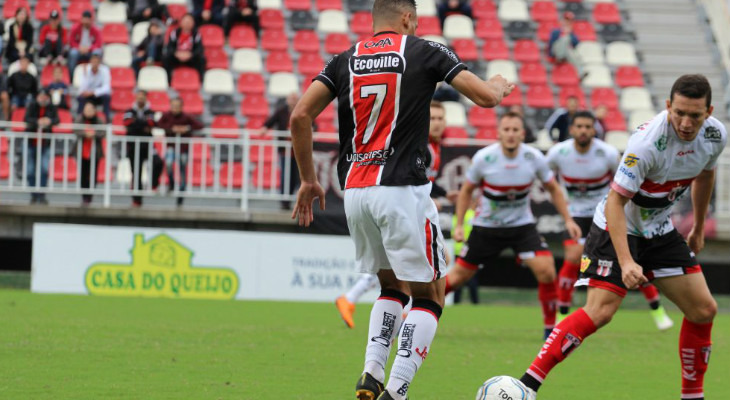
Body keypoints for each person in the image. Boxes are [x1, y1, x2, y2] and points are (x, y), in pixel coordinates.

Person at [288, 0, 513, 398]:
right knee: (431, 293)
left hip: (356, 191)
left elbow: (300, 116)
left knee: (390, 286)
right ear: (408, 18)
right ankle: (397, 389)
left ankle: (371, 373)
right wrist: (498, 84)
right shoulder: (425, 50)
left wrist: (308, 180)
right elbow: (485, 98)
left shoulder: (343, 59)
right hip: (401, 189)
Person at [518, 74, 727, 400]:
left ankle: (692, 396)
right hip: (617, 227)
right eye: (679, 113)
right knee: (600, 312)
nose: (686, 123)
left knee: (703, 310)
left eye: (695, 115)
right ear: (668, 106)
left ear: (709, 111)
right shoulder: (646, 145)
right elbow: (616, 202)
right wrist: (627, 261)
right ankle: (525, 386)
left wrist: (698, 227)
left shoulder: (715, 136)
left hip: (660, 229)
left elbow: (706, 174)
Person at [445, 112, 581, 340]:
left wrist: (568, 219)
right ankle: (414, 314)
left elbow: (554, 188)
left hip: (521, 227)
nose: (510, 134)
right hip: (486, 228)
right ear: (499, 133)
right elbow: (467, 190)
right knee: (457, 277)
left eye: (515, 130)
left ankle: (550, 331)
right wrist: (459, 224)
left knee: (547, 270)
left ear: (522, 133)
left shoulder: (534, 157)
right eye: (506, 130)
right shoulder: (484, 158)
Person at [546, 110, 673, 330]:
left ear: (594, 129)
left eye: (588, 126)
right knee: (573, 257)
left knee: (632, 260)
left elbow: (624, 184)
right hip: (575, 214)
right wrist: (566, 213)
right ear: (571, 129)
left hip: (603, 213)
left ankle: (657, 310)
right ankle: (561, 314)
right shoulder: (558, 153)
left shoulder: (607, 153)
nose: (584, 130)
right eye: (579, 126)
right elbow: (547, 180)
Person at [334, 100, 455, 329]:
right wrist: (435, 200)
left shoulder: (434, 147)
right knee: (408, 264)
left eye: (441, 119)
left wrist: (445, 195)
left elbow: (425, 180)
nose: (437, 124)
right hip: (404, 208)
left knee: (409, 262)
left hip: (407, 205)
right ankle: (406, 314)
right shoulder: (422, 148)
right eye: (434, 118)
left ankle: (353, 298)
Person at [157, 97, 203, 206]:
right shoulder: (167, 116)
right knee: (168, 164)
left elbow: (199, 125)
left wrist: (186, 128)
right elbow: (159, 124)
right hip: (171, 147)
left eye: (177, 106)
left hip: (183, 149)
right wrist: (172, 128)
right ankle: (172, 182)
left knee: (182, 171)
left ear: (181, 107)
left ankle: (181, 195)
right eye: (173, 106)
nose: (175, 109)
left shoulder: (186, 117)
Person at [260, 92, 300, 209]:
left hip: (298, 151)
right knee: (285, 175)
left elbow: (313, 124)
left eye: (295, 98)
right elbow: (271, 121)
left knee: (295, 177)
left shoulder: (303, 110)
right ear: (287, 100)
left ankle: (293, 198)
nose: (293, 101)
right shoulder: (281, 111)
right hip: (285, 150)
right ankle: (284, 201)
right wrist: (265, 128)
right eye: (291, 98)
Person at [123, 90, 163, 207]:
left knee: (158, 162)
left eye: (142, 97)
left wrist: (137, 124)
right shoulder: (129, 111)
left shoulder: (150, 111)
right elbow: (127, 123)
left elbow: (152, 123)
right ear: (136, 98)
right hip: (133, 147)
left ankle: (153, 183)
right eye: (138, 96)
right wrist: (143, 125)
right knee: (136, 173)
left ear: (146, 98)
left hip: (148, 145)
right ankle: (137, 200)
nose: (140, 99)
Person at [24, 89, 59, 205]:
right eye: (41, 96)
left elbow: (57, 120)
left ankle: (42, 195)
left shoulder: (51, 107)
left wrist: (49, 121)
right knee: (30, 170)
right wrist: (38, 122)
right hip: (31, 143)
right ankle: (34, 195)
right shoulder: (32, 105)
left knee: (44, 169)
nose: (43, 98)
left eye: (45, 96)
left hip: (45, 143)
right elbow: (26, 119)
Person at [75, 102, 105, 205]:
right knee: (83, 174)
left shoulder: (98, 120)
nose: (88, 112)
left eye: (90, 110)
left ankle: (90, 195)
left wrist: (94, 134)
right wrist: (85, 134)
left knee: (93, 175)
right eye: (86, 109)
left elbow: (103, 132)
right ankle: (84, 196)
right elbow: (76, 129)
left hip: (95, 152)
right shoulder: (80, 119)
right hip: (82, 151)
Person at [451, 198, 479, 304]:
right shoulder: (472, 215)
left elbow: (454, 232)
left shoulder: (457, 216)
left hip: (458, 250)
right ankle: (475, 303)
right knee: (471, 278)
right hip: (469, 250)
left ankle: (456, 302)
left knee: (457, 279)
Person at [163, 14, 205, 83]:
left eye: (189, 22)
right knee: (166, 58)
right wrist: (176, 53)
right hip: (177, 56)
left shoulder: (196, 34)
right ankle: (168, 81)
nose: (187, 24)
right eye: (185, 22)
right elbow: (169, 47)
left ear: (193, 23)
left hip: (190, 57)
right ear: (181, 23)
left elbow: (199, 49)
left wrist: (191, 55)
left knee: (201, 59)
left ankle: (200, 81)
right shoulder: (175, 33)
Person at [76, 51, 111, 121]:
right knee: (80, 98)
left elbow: (107, 88)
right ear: (90, 61)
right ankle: (79, 120)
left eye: (97, 61)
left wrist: (93, 92)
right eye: (93, 60)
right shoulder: (86, 69)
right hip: (88, 96)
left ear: (99, 62)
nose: (95, 63)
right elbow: (81, 89)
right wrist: (86, 75)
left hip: (98, 95)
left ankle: (106, 119)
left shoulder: (105, 70)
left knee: (107, 97)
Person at [548, 12, 584, 79]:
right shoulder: (556, 31)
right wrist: (550, 56)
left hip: (566, 53)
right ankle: (560, 57)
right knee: (565, 39)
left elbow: (576, 44)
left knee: (574, 54)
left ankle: (581, 73)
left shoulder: (572, 33)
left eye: (569, 21)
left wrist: (570, 33)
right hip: (556, 52)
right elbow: (551, 43)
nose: (567, 22)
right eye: (566, 20)